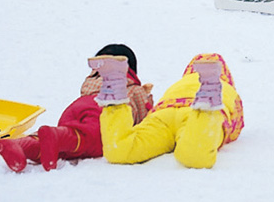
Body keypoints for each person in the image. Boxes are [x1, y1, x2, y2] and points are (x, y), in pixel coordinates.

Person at [0, 43, 153, 173]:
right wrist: (147, 97)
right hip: (102, 111)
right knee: (93, 138)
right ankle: (56, 136)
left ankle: (22, 145)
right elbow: (147, 115)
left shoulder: (90, 82)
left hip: (75, 108)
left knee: (61, 145)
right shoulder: (132, 88)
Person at [93, 52, 244, 170]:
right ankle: (206, 104)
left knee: (122, 150)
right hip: (191, 115)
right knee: (194, 155)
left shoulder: (178, 84)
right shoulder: (228, 89)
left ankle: (115, 97)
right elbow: (235, 125)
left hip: (163, 114)